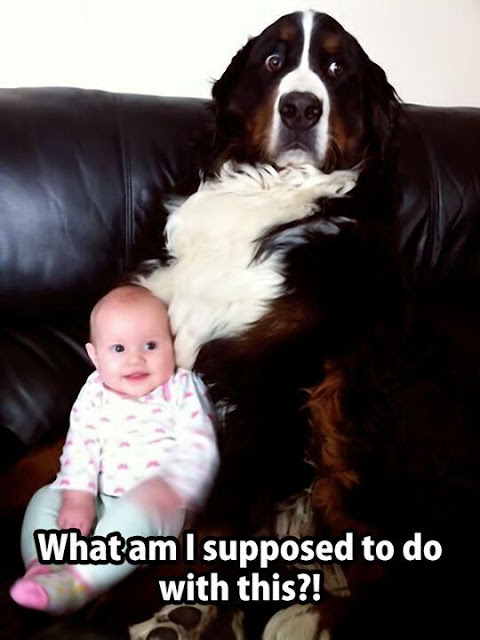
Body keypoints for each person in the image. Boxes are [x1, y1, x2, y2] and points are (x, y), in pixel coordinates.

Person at [10, 285, 219, 614]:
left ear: (172, 344)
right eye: (119, 348)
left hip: (157, 508)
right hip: (98, 498)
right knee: (45, 498)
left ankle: (80, 583)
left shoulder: (182, 387)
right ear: (95, 357)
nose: (135, 359)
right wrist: (78, 496)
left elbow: (199, 446)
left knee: (142, 506)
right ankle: (44, 568)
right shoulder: (94, 390)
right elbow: (81, 445)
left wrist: (175, 489)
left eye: (150, 345)